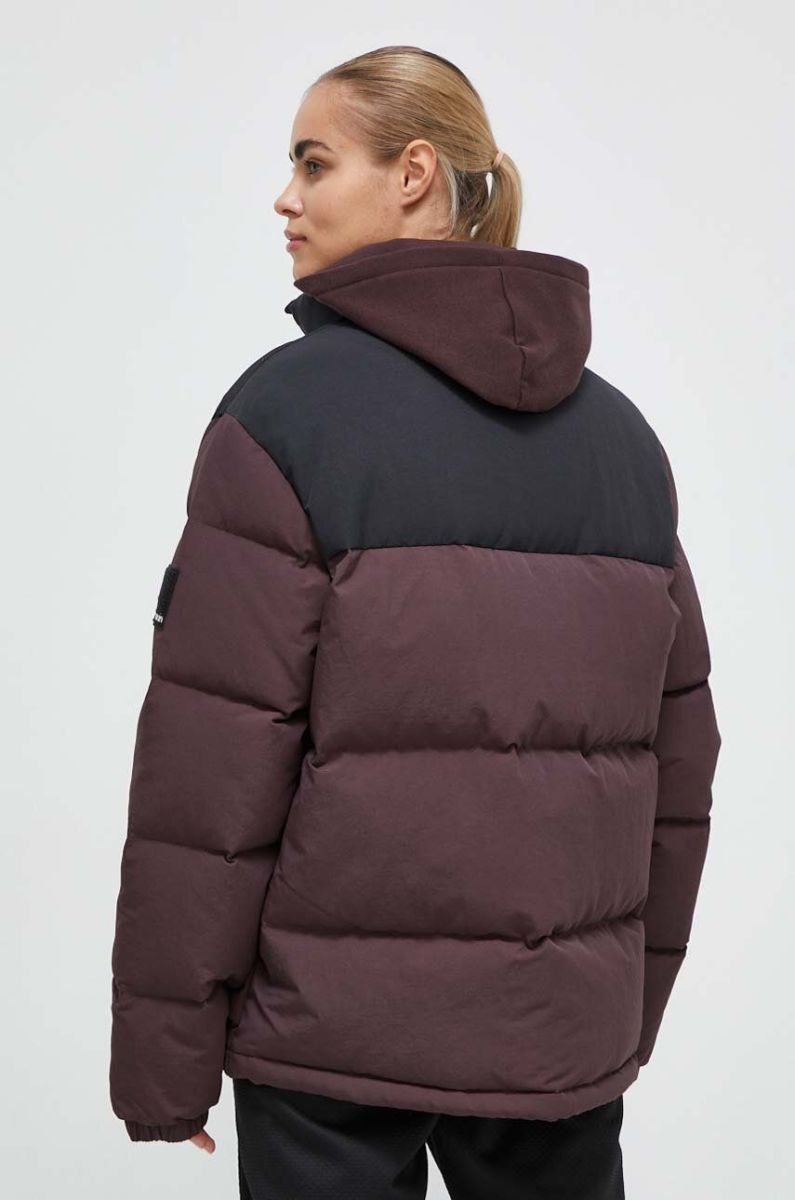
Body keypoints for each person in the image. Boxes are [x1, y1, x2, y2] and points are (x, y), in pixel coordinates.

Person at [108, 44, 721, 1200]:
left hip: (329, 1047)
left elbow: (211, 767)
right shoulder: (623, 444)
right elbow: (680, 769)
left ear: (414, 173)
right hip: (554, 1047)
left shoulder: (286, 416)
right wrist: (615, 1016)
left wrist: (165, 1061)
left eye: (314, 162)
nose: (285, 197)